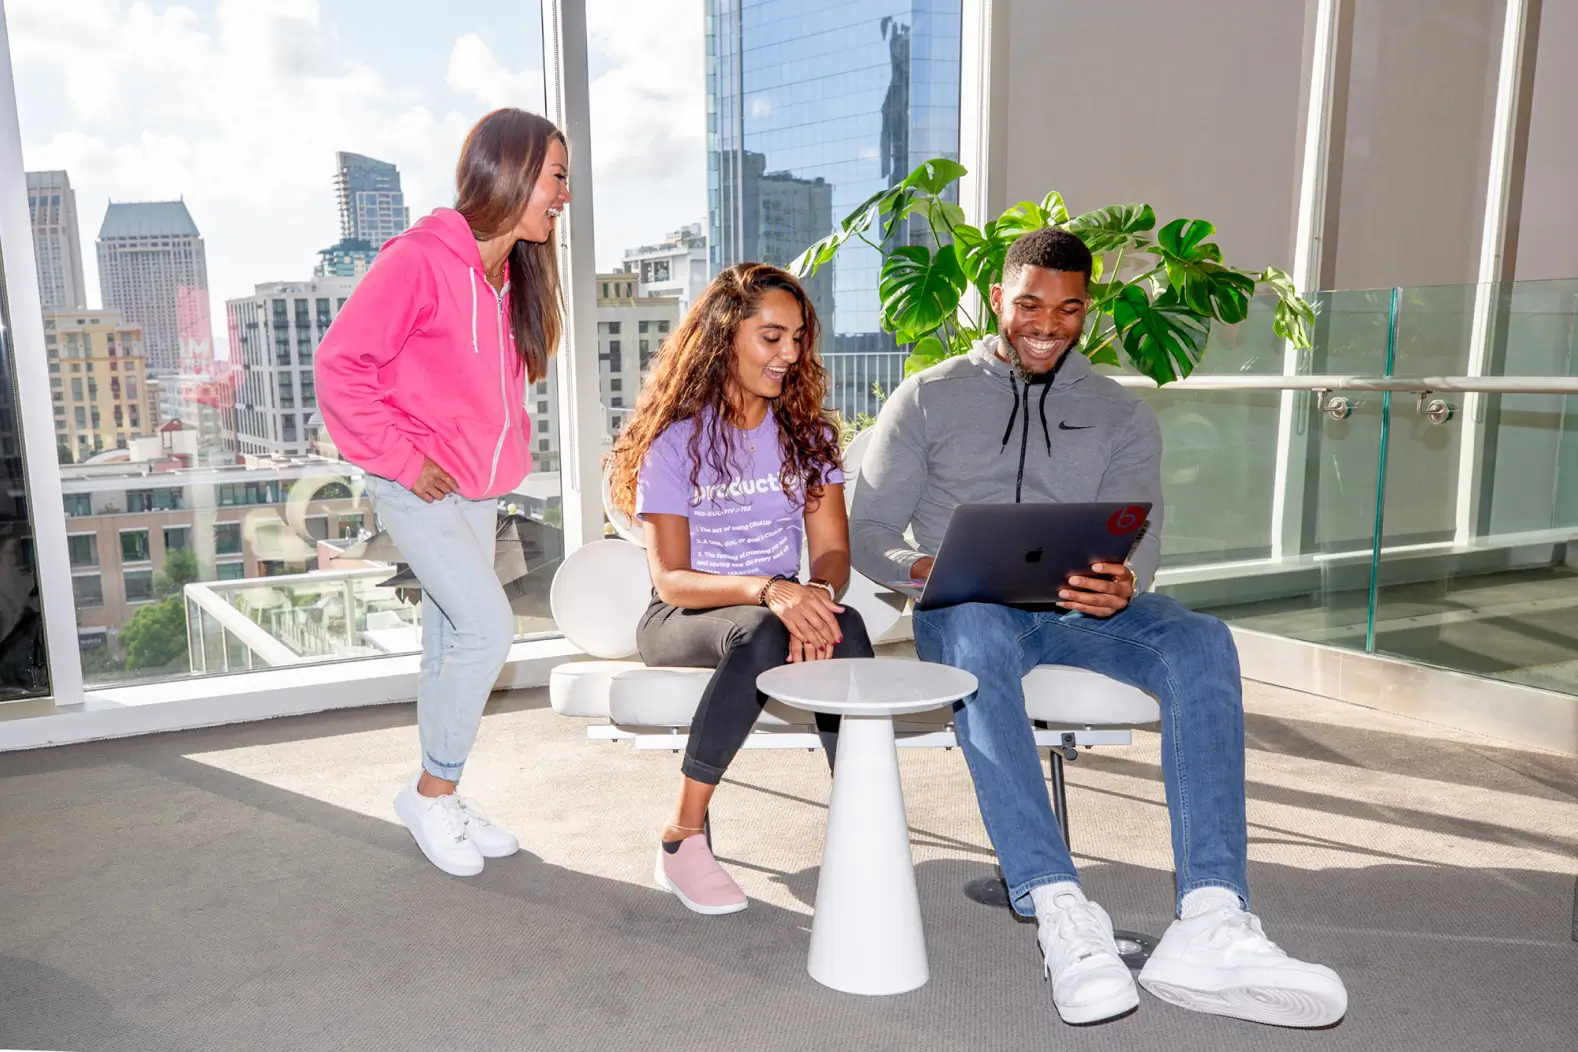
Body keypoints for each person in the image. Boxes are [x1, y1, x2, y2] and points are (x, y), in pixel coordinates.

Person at [850, 227, 1348, 1027]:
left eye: (1069, 308)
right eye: (1029, 304)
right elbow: (870, 531)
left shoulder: (1119, 413)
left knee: (1200, 640)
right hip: (968, 607)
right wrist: (923, 570)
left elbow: (1141, 539)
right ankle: (1060, 909)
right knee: (977, 637)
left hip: (1076, 612)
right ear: (997, 299)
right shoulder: (930, 396)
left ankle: (1212, 916)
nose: (1048, 322)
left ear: (1088, 308)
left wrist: (1125, 583)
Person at [314, 108, 571, 878]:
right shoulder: (419, 260)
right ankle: (432, 790)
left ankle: (442, 795)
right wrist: (400, 455)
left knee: (448, 644)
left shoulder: (506, 276)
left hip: (475, 489)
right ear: (513, 171)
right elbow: (340, 367)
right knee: (489, 633)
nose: (564, 194)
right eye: (556, 176)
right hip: (413, 484)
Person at [606, 263, 873, 916]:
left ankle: (862, 816)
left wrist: (813, 593)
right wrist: (771, 592)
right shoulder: (675, 443)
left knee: (850, 625)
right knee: (758, 627)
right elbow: (670, 577)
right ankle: (682, 836)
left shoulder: (806, 437)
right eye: (771, 337)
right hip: (683, 613)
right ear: (725, 338)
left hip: (775, 604)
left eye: (798, 339)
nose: (789, 354)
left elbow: (834, 551)